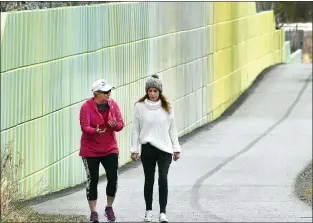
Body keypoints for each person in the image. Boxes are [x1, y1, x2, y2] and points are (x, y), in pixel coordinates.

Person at [130, 74, 181, 223]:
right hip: (148, 148)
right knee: (149, 179)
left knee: (163, 179)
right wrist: (134, 149)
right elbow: (135, 129)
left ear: (160, 92)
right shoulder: (139, 107)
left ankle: (163, 213)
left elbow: (173, 129)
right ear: (147, 91)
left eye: (155, 91)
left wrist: (176, 148)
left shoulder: (168, 107)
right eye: (150, 91)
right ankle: (148, 211)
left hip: (164, 149)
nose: (152, 94)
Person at [79, 79, 124, 222]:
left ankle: (109, 207)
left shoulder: (113, 105)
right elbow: (84, 127)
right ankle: (93, 212)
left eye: (109, 91)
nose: (109, 94)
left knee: (113, 177)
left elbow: (121, 124)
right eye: (106, 92)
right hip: (90, 150)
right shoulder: (86, 107)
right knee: (93, 180)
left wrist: (115, 125)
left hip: (110, 147)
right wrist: (94, 131)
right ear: (96, 93)